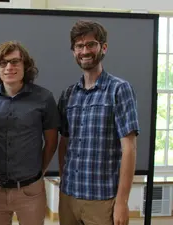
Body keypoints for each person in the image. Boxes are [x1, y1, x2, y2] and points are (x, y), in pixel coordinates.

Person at [57, 20, 140, 225]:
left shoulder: (119, 90)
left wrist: (122, 202)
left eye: (90, 44)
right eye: (79, 46)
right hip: (69, 197)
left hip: (103, 200)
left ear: (103, 47)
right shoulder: (68, 94)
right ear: (73, 51)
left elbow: (129, 149)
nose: (85, 51)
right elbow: (64, 144)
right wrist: (63, 182)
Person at [0, 41, 60, 225]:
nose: (9, 67)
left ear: (25, 66)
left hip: (30, 189)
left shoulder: (44, 98)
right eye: (3, 63)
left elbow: (52, 142)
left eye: (15, 62)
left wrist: (39, 171)